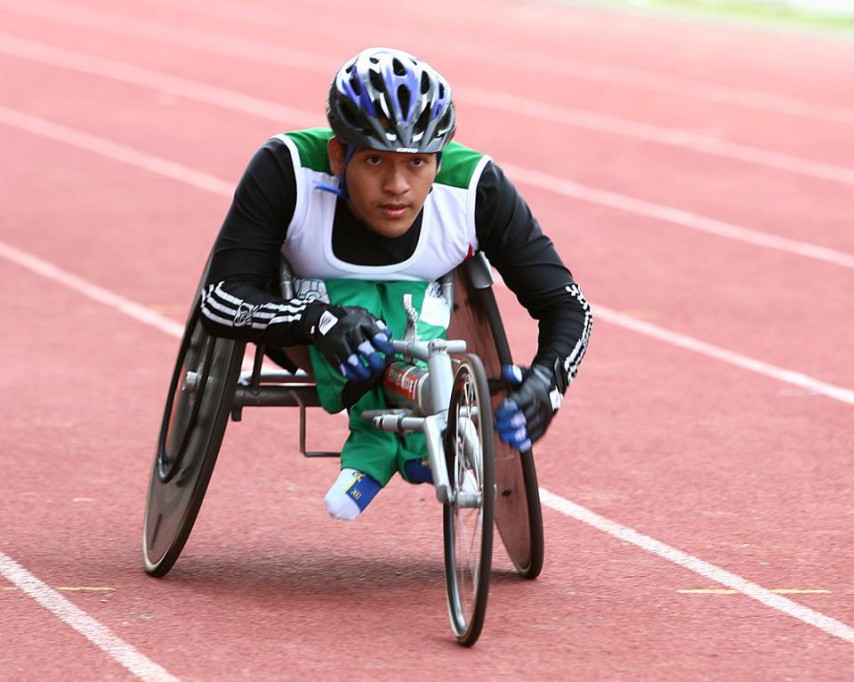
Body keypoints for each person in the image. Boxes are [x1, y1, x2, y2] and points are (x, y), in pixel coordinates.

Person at [200, 47, 593, 521]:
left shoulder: (476, 189)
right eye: (375, 162)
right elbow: (220, 299)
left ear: (438, 159)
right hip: (308, 324)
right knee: (348, 307)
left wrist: (550, 381)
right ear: (338, 154)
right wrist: (319, 321)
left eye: (417, 163)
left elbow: (570, 307)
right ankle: (381, 447)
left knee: (404, 314)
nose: (397, 186)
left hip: (422, 314)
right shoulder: (287, 168)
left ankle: (403, 439)